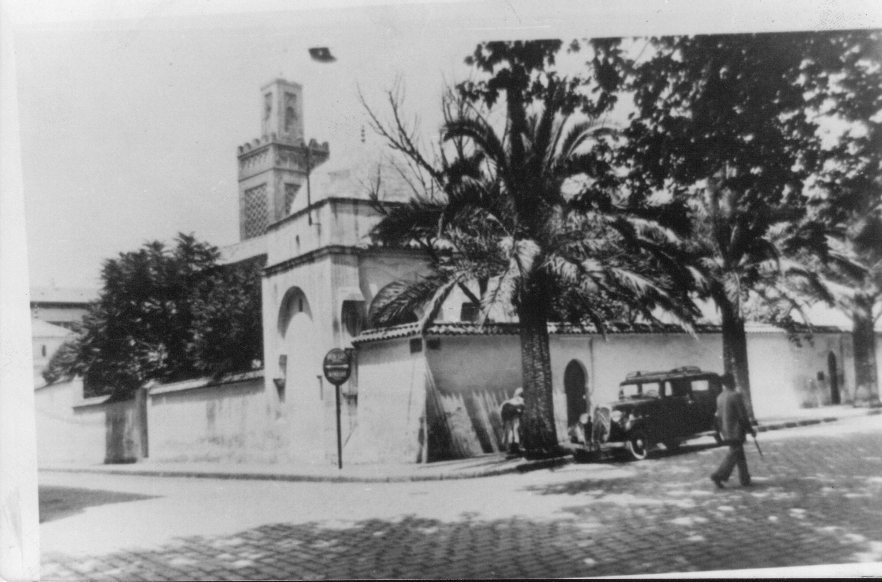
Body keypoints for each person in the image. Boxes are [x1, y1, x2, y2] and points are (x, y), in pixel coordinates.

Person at [710, 373, 756, 488]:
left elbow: (719, 416)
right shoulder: (736, 396)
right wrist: (750, 429)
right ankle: (719, 475)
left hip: (726, 430)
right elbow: (742, 416)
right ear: (732, 382)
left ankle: (745, 479)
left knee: (739, 453)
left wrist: (721, 431)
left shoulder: (719, 397)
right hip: (737, 430)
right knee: (735, 453)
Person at [500, 387, 525, 455]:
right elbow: (520, 410)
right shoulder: (520, 401)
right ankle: (513, 449)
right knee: (514, 432)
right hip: (512, 417)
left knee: (511, 432)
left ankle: (512, 448)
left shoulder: (510, 401)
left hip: (509, 417)